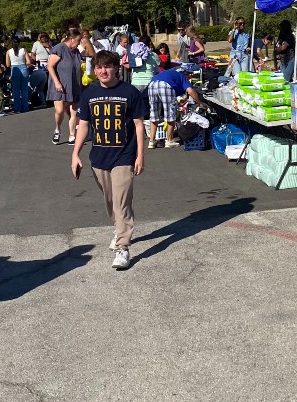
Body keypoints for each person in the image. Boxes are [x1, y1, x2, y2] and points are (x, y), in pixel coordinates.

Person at [72, 50, 148, 271]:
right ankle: (118, 228)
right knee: (111, 201)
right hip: (99, 157)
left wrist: (140, 155)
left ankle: (123, 247)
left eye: (107, 66)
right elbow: (83, 125)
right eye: (98, 67)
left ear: (116, 68)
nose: (103, 71)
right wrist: (75, 153)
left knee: (122, 201)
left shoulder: (129, 92)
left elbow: (138, 125)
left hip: (124, 156)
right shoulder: (89, 94)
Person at [145, 66, 207, 148]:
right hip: (165, 85)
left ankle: (151, 141)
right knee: (170, 114)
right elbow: (190, 91)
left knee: (154, 114)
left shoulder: (169, 73)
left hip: (152, 85)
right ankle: (169, 140)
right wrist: (199, 102)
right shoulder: (182, 77)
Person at [46, 24, 89, 144]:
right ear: (72, 39)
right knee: (59, 110)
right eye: (78, 41)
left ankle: (72, 135)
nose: (79, 43)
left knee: (74, 110)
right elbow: (50, 66)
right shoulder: (59, 48)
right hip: (59, 84)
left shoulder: (76, 52)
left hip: (74, 83)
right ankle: (57, 129)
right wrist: (57, 82)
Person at [6, 37, 30, 113]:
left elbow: (7, 64)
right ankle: (25, 107)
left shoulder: (8, 52)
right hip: (23, 68)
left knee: (16, 90)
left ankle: (17, 108)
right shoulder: (23, 50)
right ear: (19, 43)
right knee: (24, 90)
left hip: (14, 69)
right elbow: (28, 61)